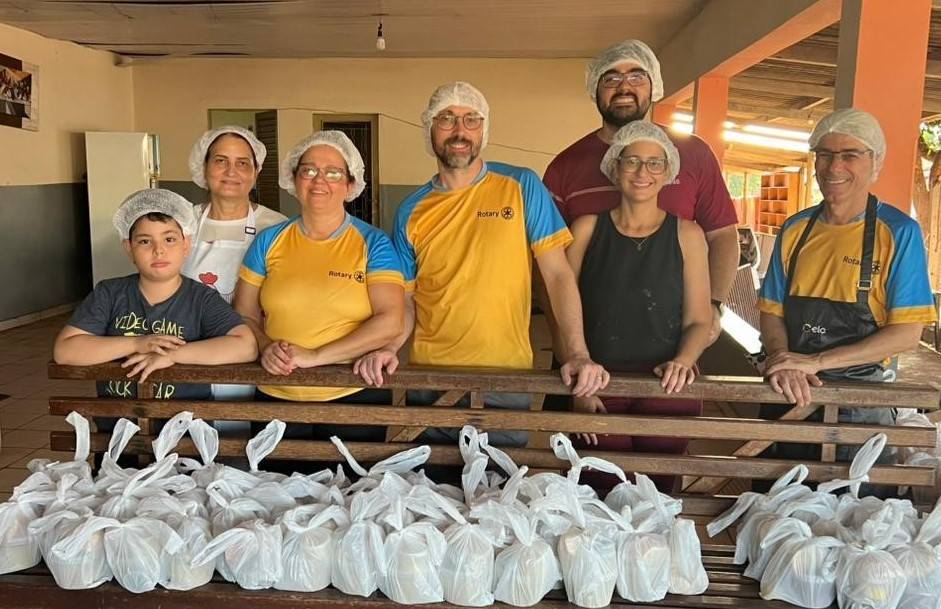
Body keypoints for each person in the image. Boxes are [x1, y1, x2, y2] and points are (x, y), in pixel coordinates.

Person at [354, 81, 608, 447]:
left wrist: (579, 354)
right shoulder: (411, 209)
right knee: (433, 492)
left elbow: (557, 275)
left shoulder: (521, 185)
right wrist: (390, 347)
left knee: (499, 492)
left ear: (483, 130)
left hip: (507, 377)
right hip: (430, 379)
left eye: (471, 119)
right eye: (447, 119)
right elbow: (406, 300)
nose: (459, 131)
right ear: (429, 130)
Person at [757, 108, 937, 471]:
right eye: (824, 154)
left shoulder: (898, 233)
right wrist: (783, 359)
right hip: (788, 388)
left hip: (862, 403)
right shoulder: (795, 229)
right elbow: (772, 311)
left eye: (849, 155)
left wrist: (816, 362)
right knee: (773, 501)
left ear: (875, 163)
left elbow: (905, 333)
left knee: (853, 507)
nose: (833, 167)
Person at [543, 39, 739, 343]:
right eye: (611, 79)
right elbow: (548, 259)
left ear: (654, 86)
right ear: (595, 88)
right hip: (589, 341)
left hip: (676, 342)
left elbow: (723, 234)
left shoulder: (693, 153)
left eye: (637, 76)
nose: (624, 87)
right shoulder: (565, 166)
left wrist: (711, 305)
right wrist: (564, 338)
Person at [566, 121, 712, 492]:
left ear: (668, 173)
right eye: (631, 161)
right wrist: (578, 381)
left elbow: (699, 319)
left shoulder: (687, 235)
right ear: (615, 167)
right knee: (599, 494)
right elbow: (562, 309)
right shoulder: (586, 229)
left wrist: (684, 361)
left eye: (654, 163)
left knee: (658, 496)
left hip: (667, 388)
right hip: (597, 383)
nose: (642, 172)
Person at [233, 131, 404, 443]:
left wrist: (315, 356)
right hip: (276, 394)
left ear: (351, 184)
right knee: (273, 490)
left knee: (353, 491)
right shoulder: (269, 241)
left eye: (333, 172)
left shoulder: (373, 243)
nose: (319, 180)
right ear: (294, 179)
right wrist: (264, 346)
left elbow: (391, 320)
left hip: (352, 393)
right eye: (308, 170)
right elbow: (244, 313)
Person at [53, 188, 258, 405]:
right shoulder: (109, 294)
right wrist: (137, 344)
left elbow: (246, 346)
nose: (158, 250)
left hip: (184, 430)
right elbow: (65, 351)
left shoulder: (201, 299)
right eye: (144, 241)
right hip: (118, 429)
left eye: (169, 239)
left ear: (186, 245)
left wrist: (171, 355)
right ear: (128, 248)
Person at [183, 125, 287, 402]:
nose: (232, 172)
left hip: (256, 352)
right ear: (203, 167)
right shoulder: (182, 223)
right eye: (221, 161)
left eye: (243, 163)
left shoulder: (276, 227)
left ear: (256, 172)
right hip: (188, 351)